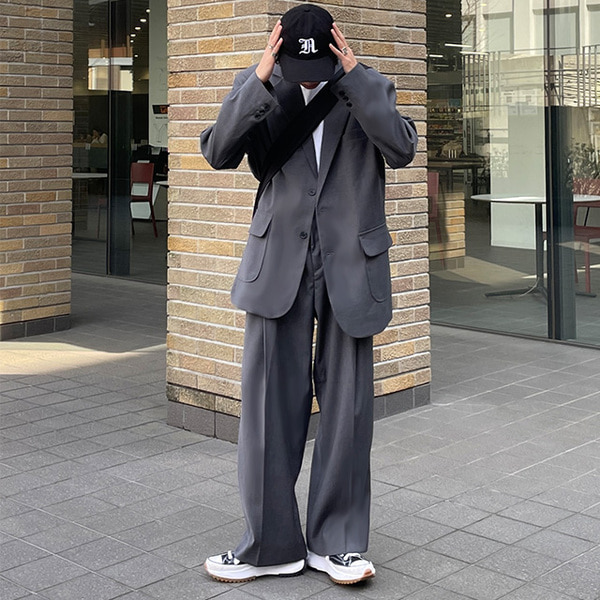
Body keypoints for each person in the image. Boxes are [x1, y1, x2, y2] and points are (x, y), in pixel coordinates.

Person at [200, 3, 418, 586]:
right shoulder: (262, 87)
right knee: (268, 406)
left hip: (350, 263)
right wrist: (258, 79)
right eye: (299, 70)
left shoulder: (365, 87)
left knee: (347, 409)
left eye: (318, 67)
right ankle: (269, 546)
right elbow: (217, 152)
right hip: (279, 263)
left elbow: (401, 149)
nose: (310, 79)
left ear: (335, 50)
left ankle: (337, 543)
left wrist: (356, 79)